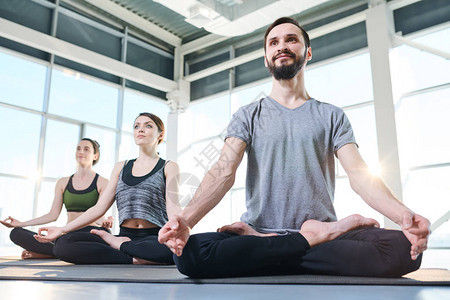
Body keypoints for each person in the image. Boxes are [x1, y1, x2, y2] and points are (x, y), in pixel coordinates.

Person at [158, 17, 431, 278]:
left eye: (291, 40)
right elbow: (223, 170)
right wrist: (186, 220)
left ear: (308, 53)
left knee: (405, 252)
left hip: (321, 231)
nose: (282, 46)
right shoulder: (248, 114)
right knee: (189, 255)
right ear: (266, 58)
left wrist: (403, 215)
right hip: (271, 229)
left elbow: (360, 175)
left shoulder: (331, 115)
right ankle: (303, 239)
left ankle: (268, 247)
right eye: (274, 43)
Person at [34, 113, 180, 265]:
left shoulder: (169, 167)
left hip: (153, 238)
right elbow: (99, 208)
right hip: (123, 236)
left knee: (172, 249)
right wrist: (62, 229)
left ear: (160, 134)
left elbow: (173, 207)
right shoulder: (121, 167)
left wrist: (179, 232)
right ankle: (134, 256)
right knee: (63, 244)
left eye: (148, 126)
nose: (140, 130)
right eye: (137, 126)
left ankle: (123, 248)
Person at [0, 138, 112, 259]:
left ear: (95, 156)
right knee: (17, 233)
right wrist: (22, 223)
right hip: (68, 235)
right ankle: (59, 251)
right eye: (78, 148)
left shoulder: (103, 182)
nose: (81, 152)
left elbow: (98, 214)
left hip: (92, 234)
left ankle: (47, 253)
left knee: (68, 242)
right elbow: (52, 215)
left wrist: (105, 222)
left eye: (86, 149)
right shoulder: (62, 182)